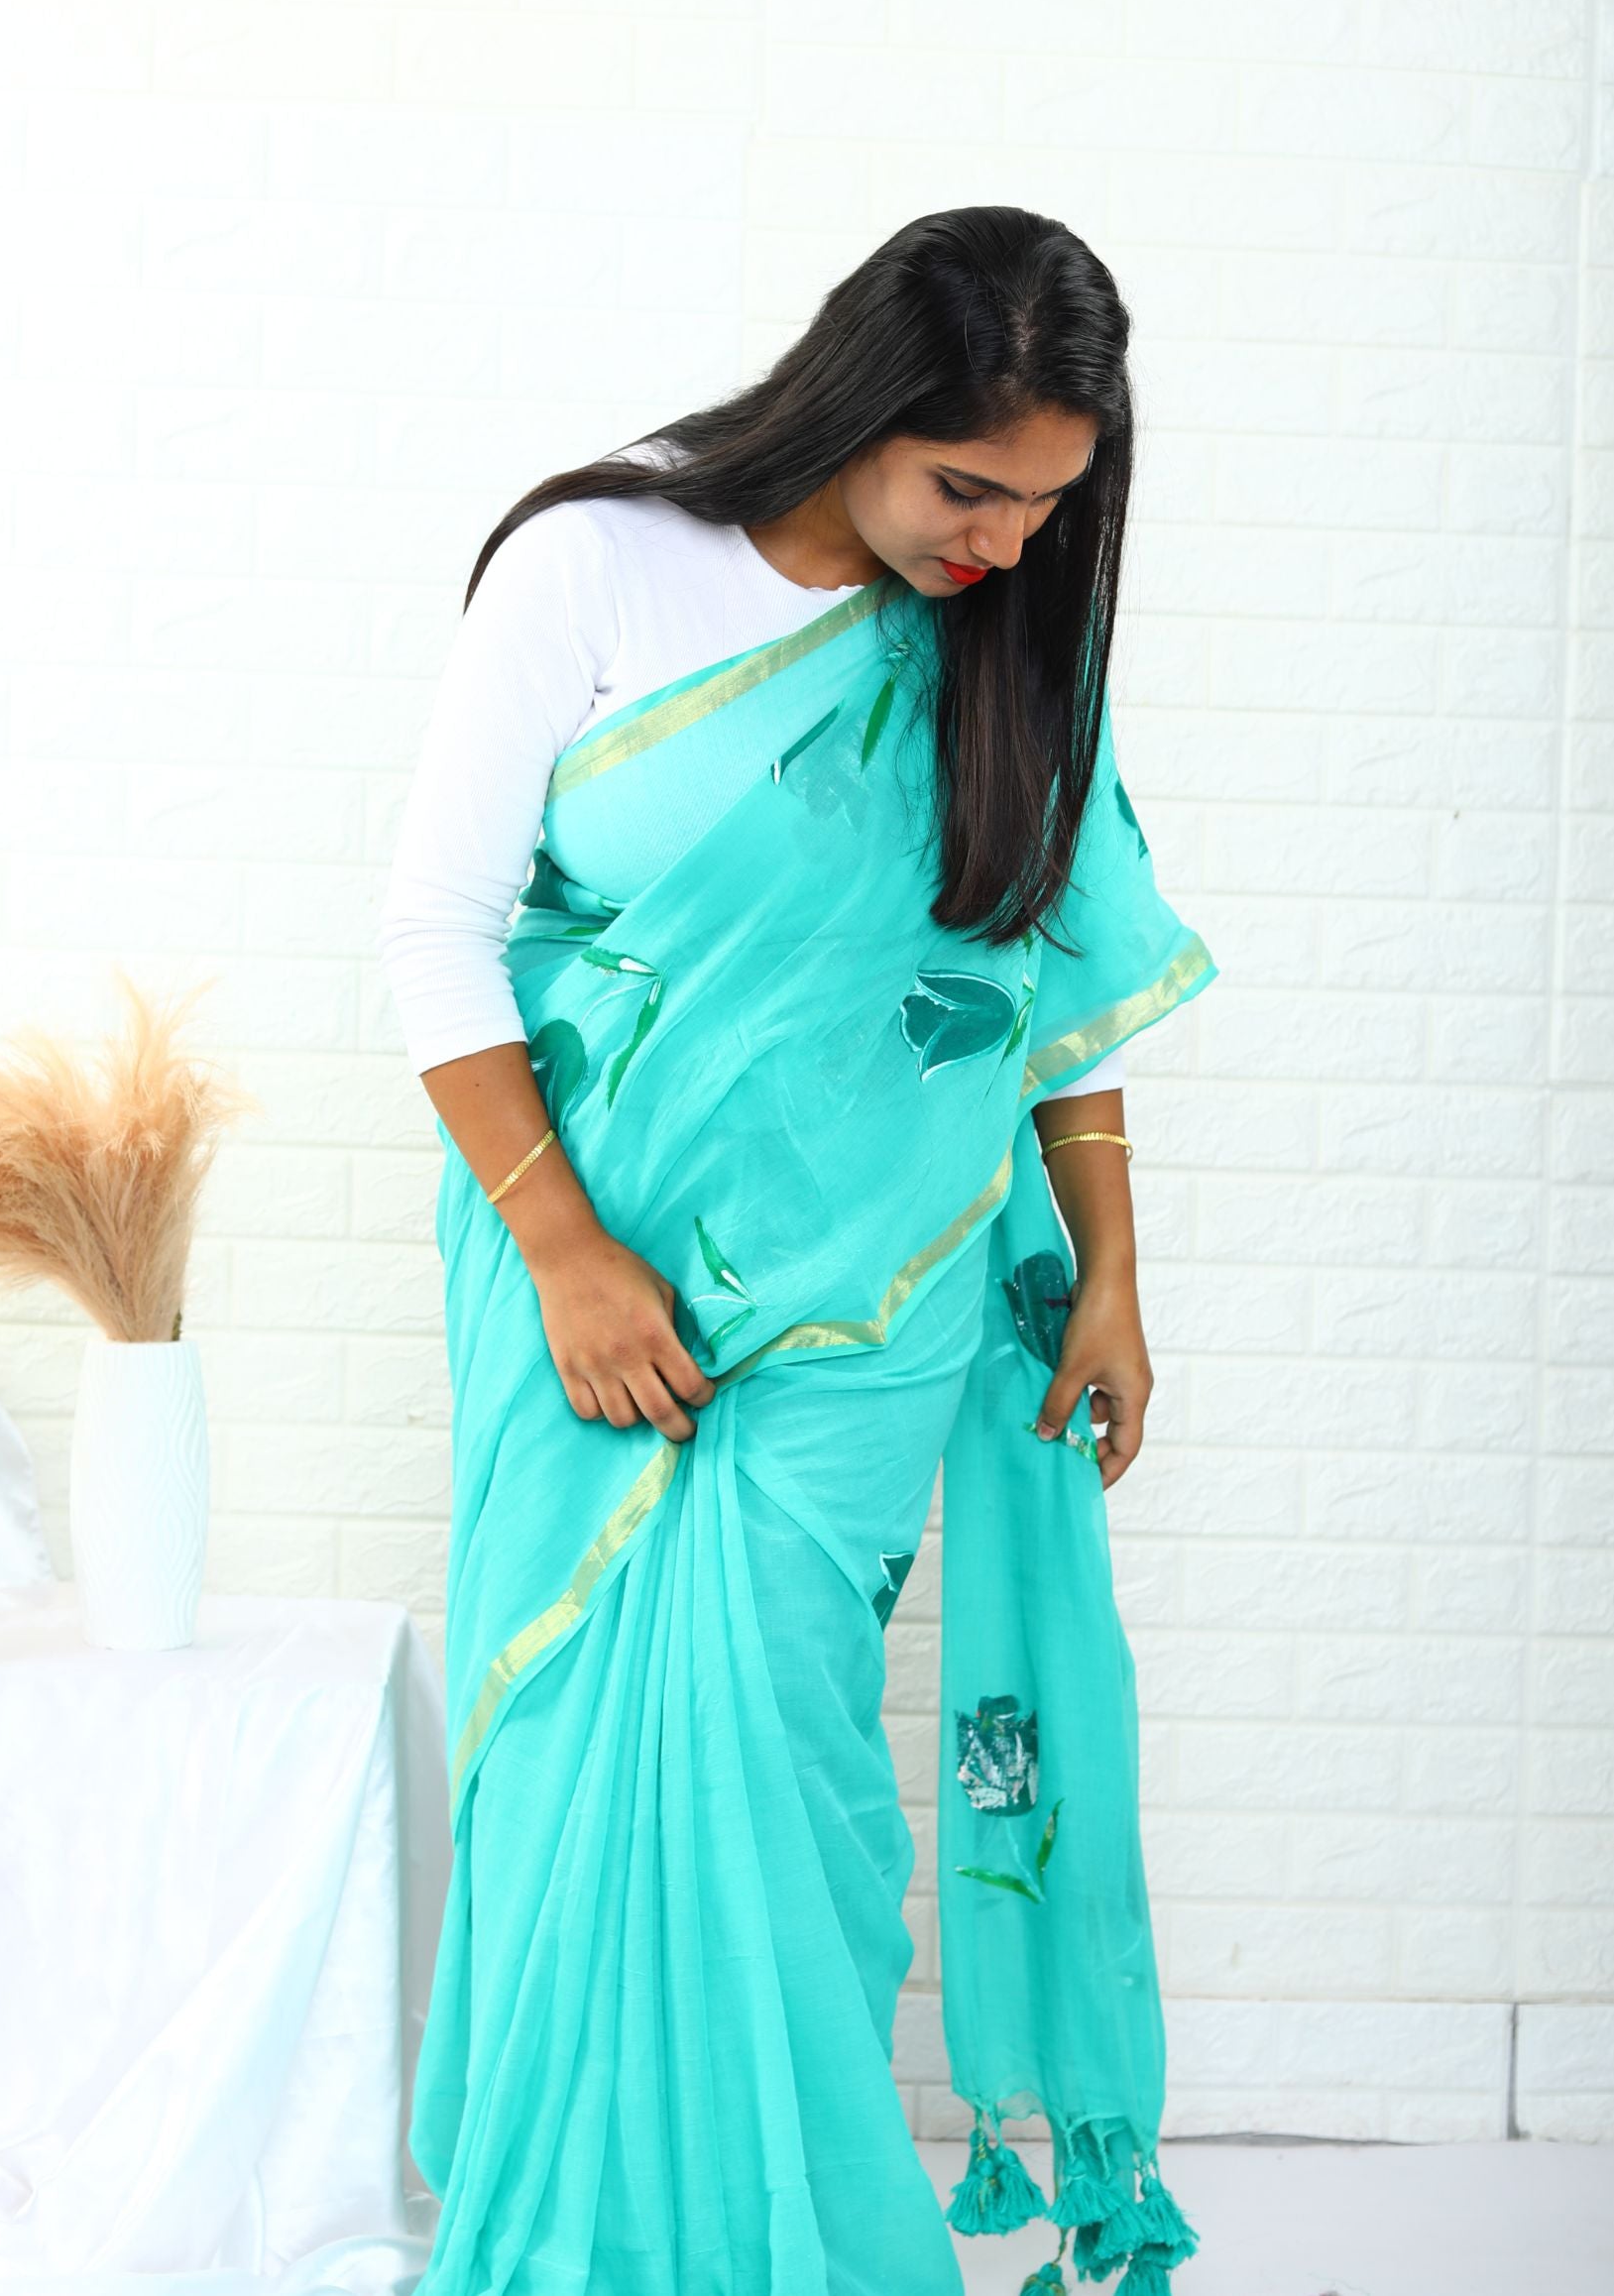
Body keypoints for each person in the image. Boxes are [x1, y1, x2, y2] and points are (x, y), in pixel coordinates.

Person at [377, 206, 1215, 2296]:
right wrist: (565, 1252)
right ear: (860, 406)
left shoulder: (1008, 632)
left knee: (778, 1749)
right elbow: (435, 932)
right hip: (584, 1275)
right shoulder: (596, 562)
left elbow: (1048, 977)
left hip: (881, 1290)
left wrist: (1110, 1268)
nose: (1003, 545)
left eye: (1047, 507)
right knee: (576, 1748)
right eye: (968, 490)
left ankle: (795, 2245)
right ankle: (582, 2233)